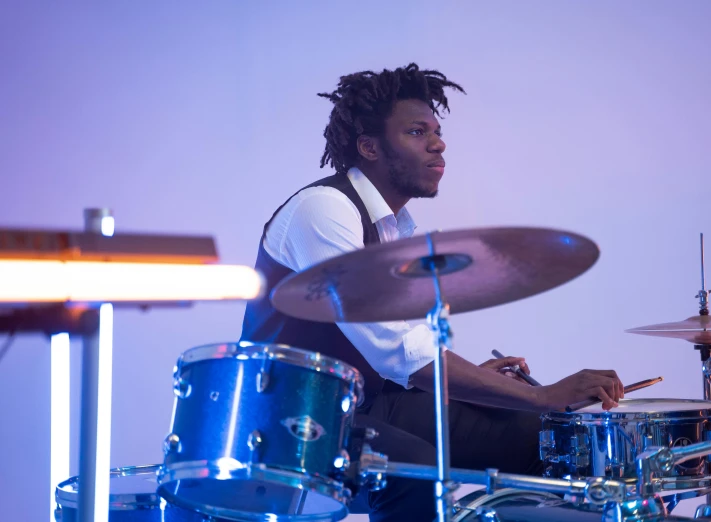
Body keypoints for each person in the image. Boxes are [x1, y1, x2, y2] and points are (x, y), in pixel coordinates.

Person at [241, 63, 624, 521]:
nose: (438, 143)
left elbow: (408, 352)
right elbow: (400, 352)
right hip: (290, 419)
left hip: (365, 403)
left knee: (535, 434)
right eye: (417, 131)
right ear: (369, 147)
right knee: (412, 470)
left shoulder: (392, 229)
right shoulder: (324, 211)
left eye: (437, 131)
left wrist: (482, 387)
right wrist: (544, 394)